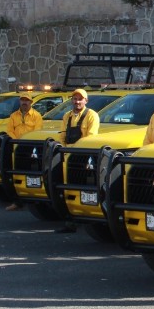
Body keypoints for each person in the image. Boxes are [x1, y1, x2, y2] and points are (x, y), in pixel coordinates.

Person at [55, 88, 100, 232]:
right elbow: (62, 135)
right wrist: (63, 150)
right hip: (67, 157)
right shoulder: (67, 116)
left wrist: (76, 152)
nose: (77, 101)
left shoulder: (91, 115)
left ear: (86, 101)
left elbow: (90, 138)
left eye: (80, 99)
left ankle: (89, 219)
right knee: (67, 190)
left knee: (83, 190)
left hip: (83, 158)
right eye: (75, 99)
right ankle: (70, 221)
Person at [4, 92, 44, 211]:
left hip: (30, 149)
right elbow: (9, 130)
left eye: (27, 100)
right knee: (16, 175)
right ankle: (17, 201)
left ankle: (33, 200)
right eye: (22, 100)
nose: (24, 102)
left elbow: (37, 132)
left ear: (31, 102)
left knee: (31, 175)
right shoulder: (13, 116)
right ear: (19, 101)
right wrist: (17, 142)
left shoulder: (37, 116)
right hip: (16, 149)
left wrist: (24, 143)